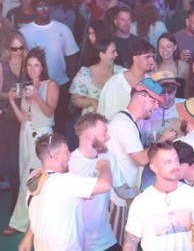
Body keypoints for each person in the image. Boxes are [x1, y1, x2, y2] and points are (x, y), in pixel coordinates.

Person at [19, 131, 112, 251]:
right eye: (66, 152)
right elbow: (105, 184)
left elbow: (39, 213)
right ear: (56, 156)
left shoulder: (34, 179)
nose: (70, 155)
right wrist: (104, 166)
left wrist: (28, 236)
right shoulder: (64, 182)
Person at [3, 47, 60, 236]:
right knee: (26, 176)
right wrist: (12, 101)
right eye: (29, 65)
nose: (32, 69)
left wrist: (36, 96)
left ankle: (20, 222)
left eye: (36, 65)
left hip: (42, 135)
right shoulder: (24, 86)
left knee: (31, 179)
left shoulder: (50, 84)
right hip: (26, 133)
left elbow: (49, 112)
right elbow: (23, 118)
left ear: (42, 67)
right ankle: (31, 221)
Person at [124, 140, 194, 251]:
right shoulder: (141, 203)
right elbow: (129, 246)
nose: (175, 166)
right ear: (154, 167)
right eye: (168, 162)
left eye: (176, 160)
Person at [106, 79, 163, 245]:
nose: (156, 107)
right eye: (154, 101)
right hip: (116, 198)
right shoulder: (124, 124)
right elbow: (141, 159)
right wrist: (162, 142)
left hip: (120, 195)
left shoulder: (126, 121)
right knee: (116, 244)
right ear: (142, 96)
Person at [68, 112, 120, 251]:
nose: (108, 137)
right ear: (91, 135)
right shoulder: (69, 164)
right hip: (79, 243)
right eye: (104, 132)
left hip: (105, 239)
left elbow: (121, 189)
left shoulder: (108, 156)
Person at [97, 39, 154, 119]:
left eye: (152, 57)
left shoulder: (153, 84)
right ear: (135, 58)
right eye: (147, 57)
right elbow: (103, 116)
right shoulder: (114, 83)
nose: (152, 61)